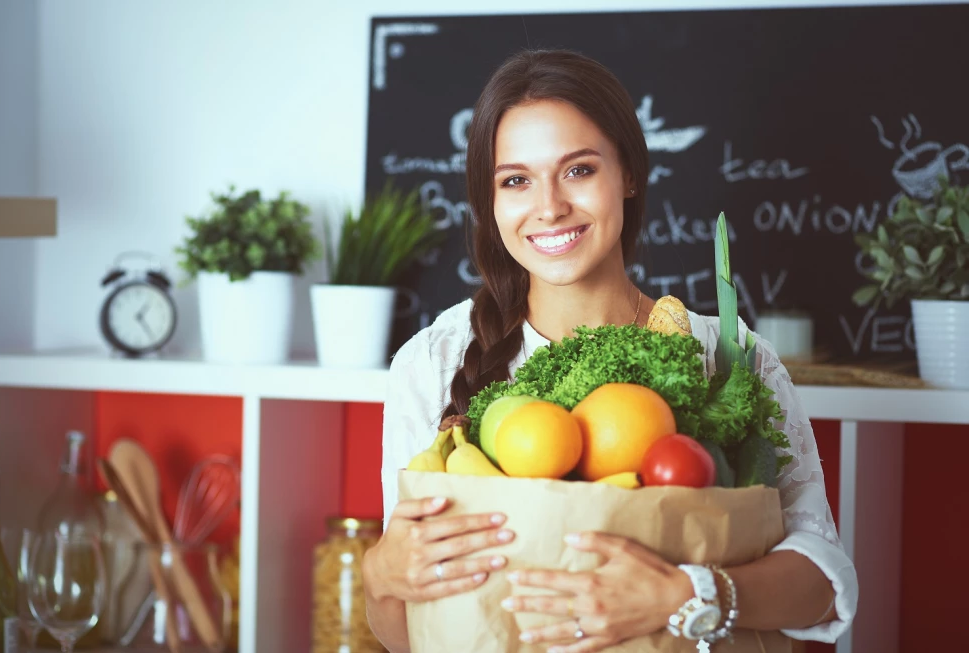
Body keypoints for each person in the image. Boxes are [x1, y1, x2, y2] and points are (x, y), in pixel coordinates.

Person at [363, 49, 858, 652]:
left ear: (628, 173)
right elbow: (405, 635)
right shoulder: (434, 361)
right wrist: (379, 576)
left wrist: (687, 594)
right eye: (516, 180)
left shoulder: (727, 354)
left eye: (578, 170)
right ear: (490, 203)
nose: (549, 206)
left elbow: (821, 583)